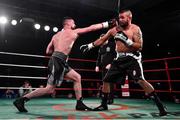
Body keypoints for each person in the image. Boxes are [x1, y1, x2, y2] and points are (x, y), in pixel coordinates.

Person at [13, 16, 116, 112]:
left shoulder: (56, 35)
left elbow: (48, 51)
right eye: (73, 22)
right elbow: (91, 28)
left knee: (77, 77)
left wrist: (59, 46)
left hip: (59, 60)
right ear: (69, 23)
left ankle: (79, 103)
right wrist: (108, 23)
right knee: (49, 89)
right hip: (58, 60)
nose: (75, 24)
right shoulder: (73, 32)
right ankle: (22, 100)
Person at [80, 10, 167, 116]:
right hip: (119, 59)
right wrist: (89, 46)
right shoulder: (114, 30)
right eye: (119, 17)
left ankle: (160, 106)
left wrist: (127, 40)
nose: (119, 19)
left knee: (140, 80)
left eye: (122, 17)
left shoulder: (135, 29)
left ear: (129, 18)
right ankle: (104, 104)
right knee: (106, 80)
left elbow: (139, 46)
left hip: (132, 58)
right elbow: (102, 40)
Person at [95, 34, 116, 104]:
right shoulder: (101, 47)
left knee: (110, 82)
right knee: (104, 82)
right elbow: (98, 57)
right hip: (103, 67)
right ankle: (105, 98)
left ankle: (111, 99)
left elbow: (116, 55)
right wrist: (97, 66)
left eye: (102, 39)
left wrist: (111, 64)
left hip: (111, 66)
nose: (101, 40)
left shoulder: (112, 44)